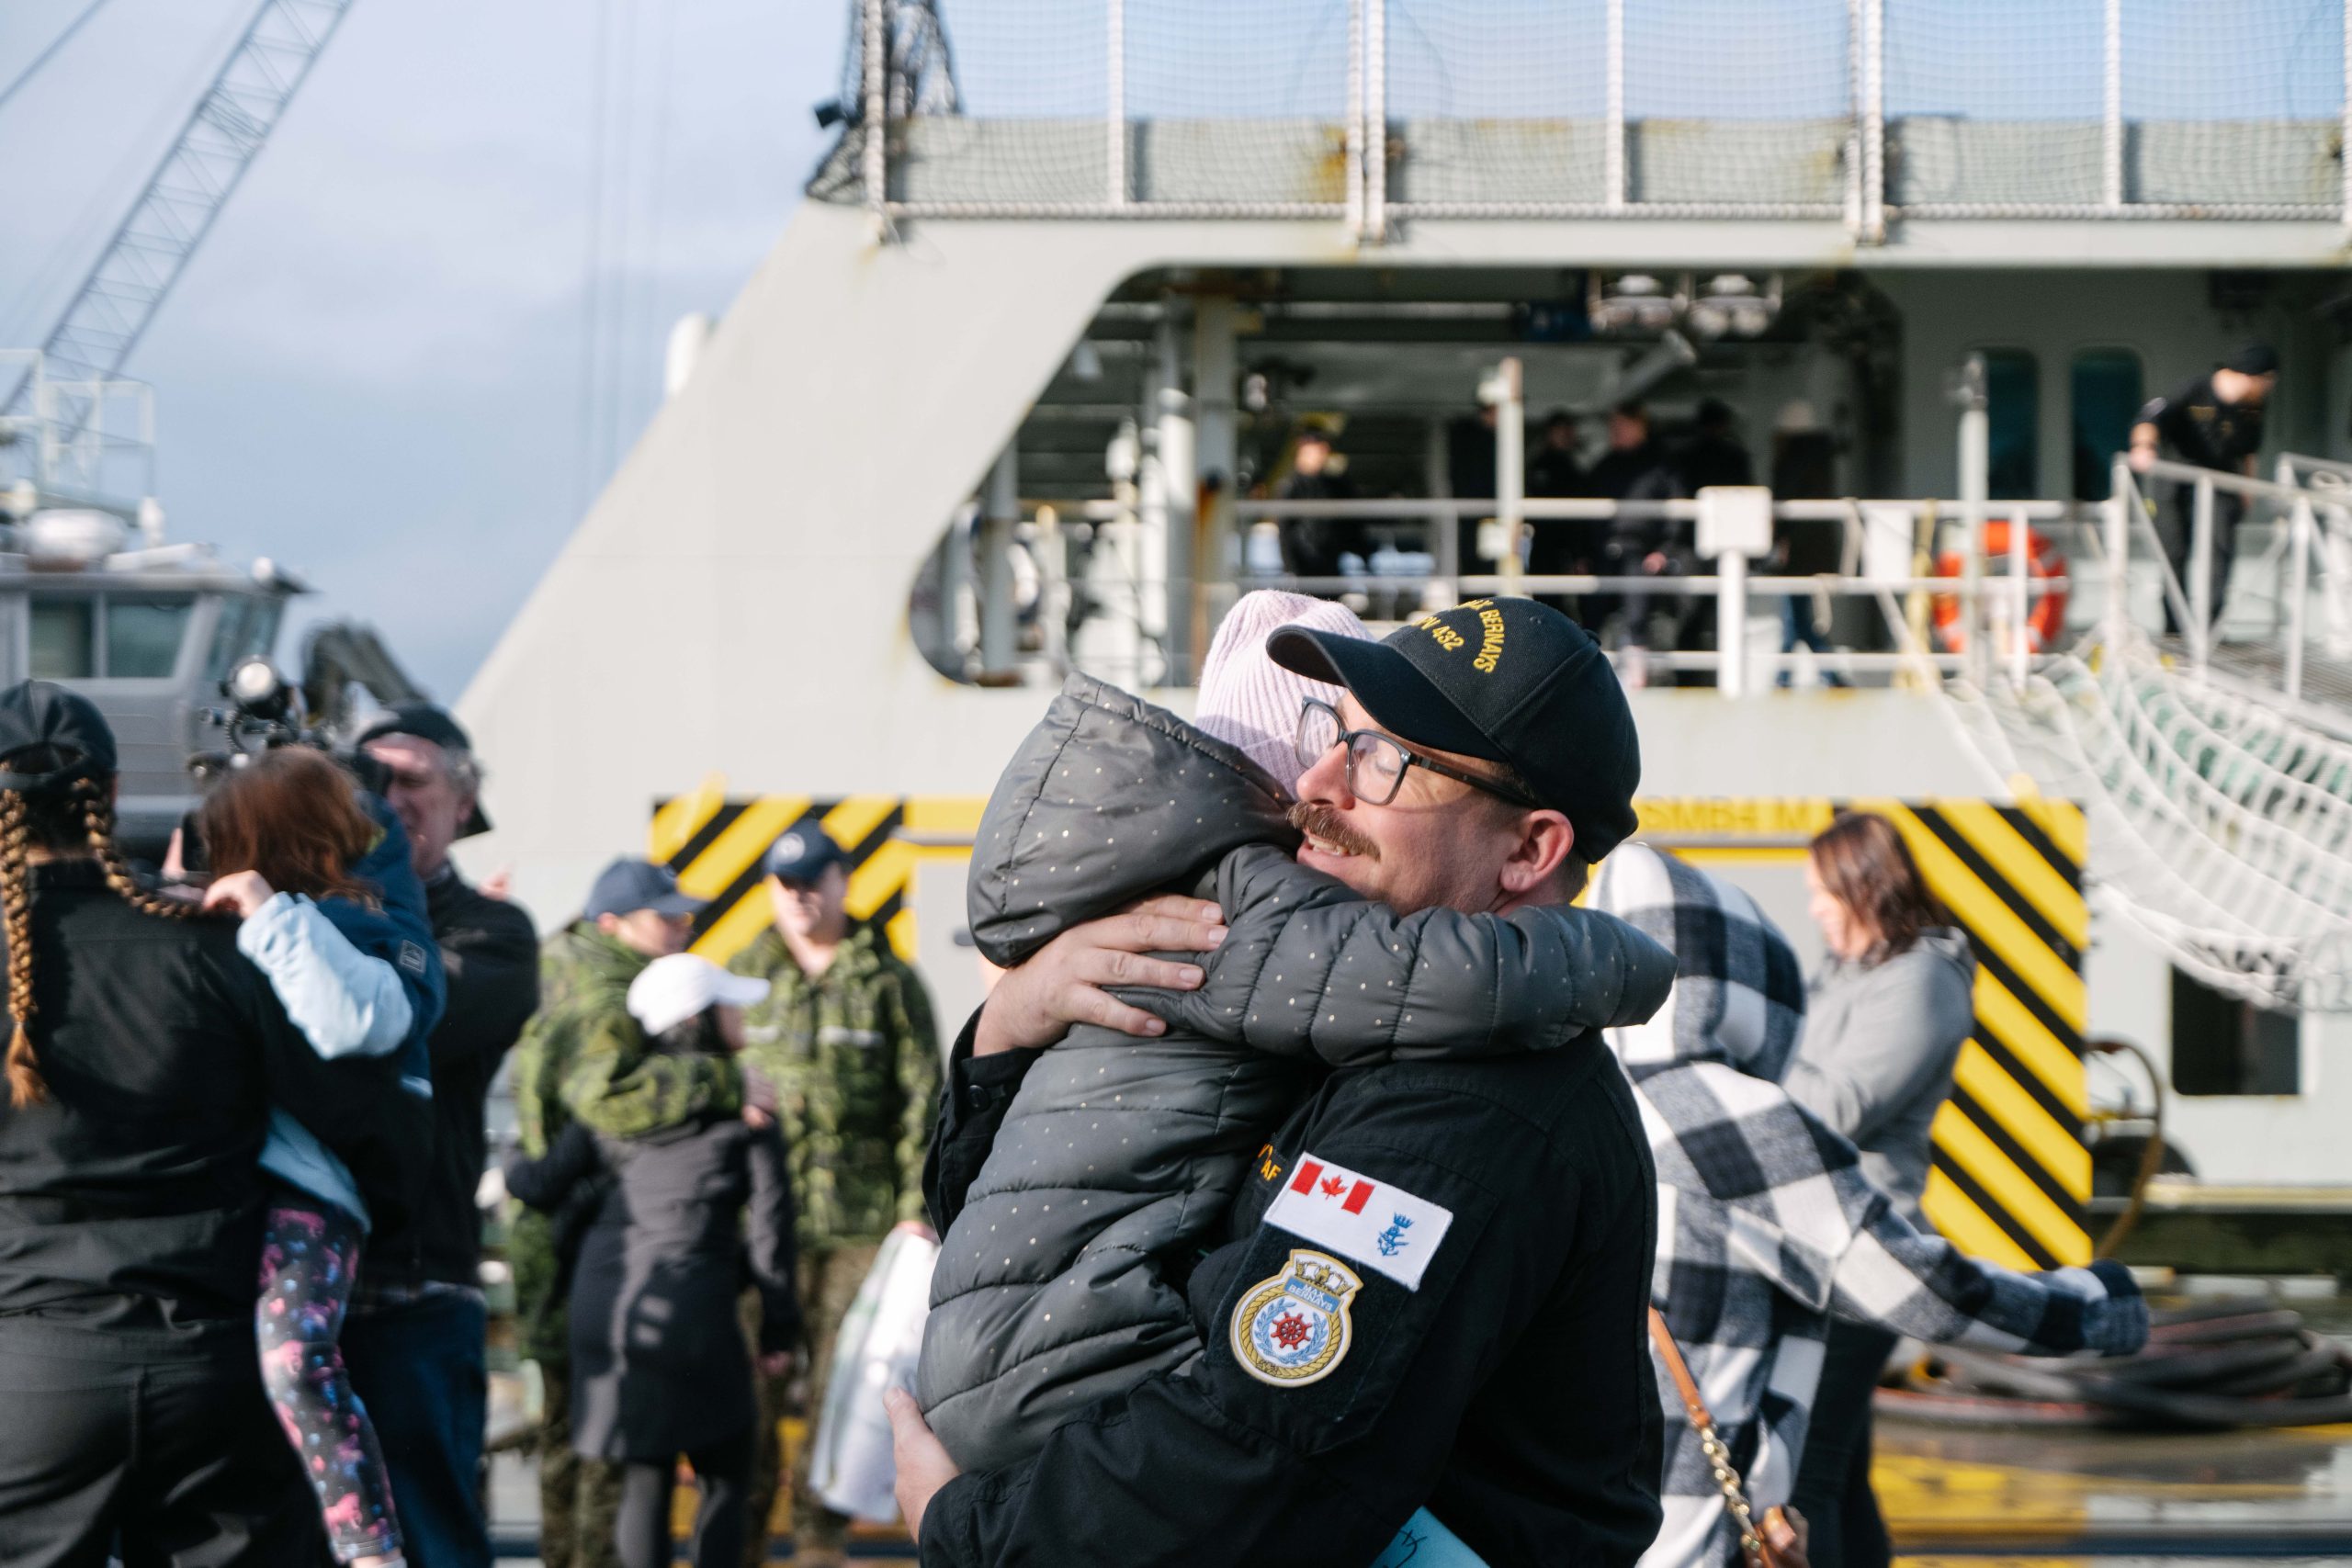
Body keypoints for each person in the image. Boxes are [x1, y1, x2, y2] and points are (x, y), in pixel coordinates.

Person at [888, 598, 1669, 1565]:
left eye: (1384, 761)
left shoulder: (1465, 1110)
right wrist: (1013, 1031)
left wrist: (964, 1531)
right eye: (1336, 737)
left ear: (1527, 849)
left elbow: (1256, 1463)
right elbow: (1040, 1231)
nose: (1316, 780)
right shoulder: (1357, 1042)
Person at [1587, 843, 2143, 1568]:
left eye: (1822, 892)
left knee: (1834, 1480)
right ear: (1736, 976)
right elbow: (1926, 1293)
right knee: (1823, 1482)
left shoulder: (1578, 1098)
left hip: (1584, 1525)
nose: (1816, 908)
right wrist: (2099, 1308)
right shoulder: (1720, 1112)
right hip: (1690, 1539)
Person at [0, 682, 409, 1563]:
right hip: (219, 1370)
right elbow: (347, 1108)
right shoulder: (214, 942)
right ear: (108, 796)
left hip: (30, 1373)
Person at [195, 747, 448, 1568]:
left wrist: (270, 916)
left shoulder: (347, 925)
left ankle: (370, 1544)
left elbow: (355, 1020)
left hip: (310, 1190)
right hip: (236, 1191)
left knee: (296, 1357)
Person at [505, 954, 799, 1568]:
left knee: (644, 1477)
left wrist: (509, 1155)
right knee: (725, 1472)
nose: (741, 1014)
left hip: (606, 1312)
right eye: (729, 1003)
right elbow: (773, 1230)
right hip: (693, 1311)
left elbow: (535, 1183)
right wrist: (779, 1328)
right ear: (697, 1019)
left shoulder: (615, 1106)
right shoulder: (747, 1105)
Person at [347, 702, 542, 1568]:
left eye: (410, 780)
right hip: (293, 1281)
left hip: (416, 1289)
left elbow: (392, 1021)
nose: (385, 797)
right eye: (367, 779)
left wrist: (369, 886)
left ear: (463, 804)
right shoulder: (302, 918)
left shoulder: (495, 933)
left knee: (430, 1535)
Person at [730, 826, 940, 1568]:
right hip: (756, 1233)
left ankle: (820, 1548)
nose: (798, 896)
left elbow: (923, 1101)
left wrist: (916, 1210)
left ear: (843, 880)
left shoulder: (887, 979)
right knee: (747, 1409)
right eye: (784, 883)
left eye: (812, 880)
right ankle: (740, 1547)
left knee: (839, 1401)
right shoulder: (744, 974)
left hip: (859, 1230)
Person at [1781, 811, 1979, 1568]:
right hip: (1818, 1246)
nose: (1814, 909)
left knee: (1808, 1477)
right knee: (1842, 1470)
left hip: (1861, 1255)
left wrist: (1739, 1063)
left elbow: (1840, 1107)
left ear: (1865, 887)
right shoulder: (1848, 971)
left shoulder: (1923, 981)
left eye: (1823, 892)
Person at [2130, 342, 2278, 635]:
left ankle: (2210, 630)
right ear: (2253, 376)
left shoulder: (2253, 406)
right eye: (2268, 381)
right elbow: (2150, 416)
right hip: (2175, 477)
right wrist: (2143, 446)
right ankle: (2175, 629)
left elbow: (2249, 451)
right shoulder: (2194, 389)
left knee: (2221, 550)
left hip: (2222, 479)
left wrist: (2246, 490)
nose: (2269, 388)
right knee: (2174, 550)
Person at [1275, 424, 1365, 582]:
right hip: (1303, 564)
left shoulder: (1334, 483)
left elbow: (1351, 520)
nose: (1321, 455)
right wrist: (1290, 568)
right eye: (1317, 450)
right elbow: (1284, 530)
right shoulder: (1290, 485)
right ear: (1302, 451)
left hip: (1330, 562)